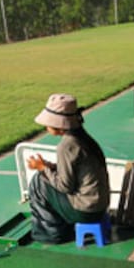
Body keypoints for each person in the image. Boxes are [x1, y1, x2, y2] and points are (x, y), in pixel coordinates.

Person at [25, 94, 111, 244]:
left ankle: (52, 234)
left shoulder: (67, 145)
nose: (46, 127)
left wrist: (42, 169)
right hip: (99, 206)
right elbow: (75, 171)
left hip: (86, 211)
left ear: (58, 125)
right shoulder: (83, 137)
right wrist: (47, 166)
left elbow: (64, 186)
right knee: (43, 176)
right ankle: (59, 226)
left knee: (38, 183)